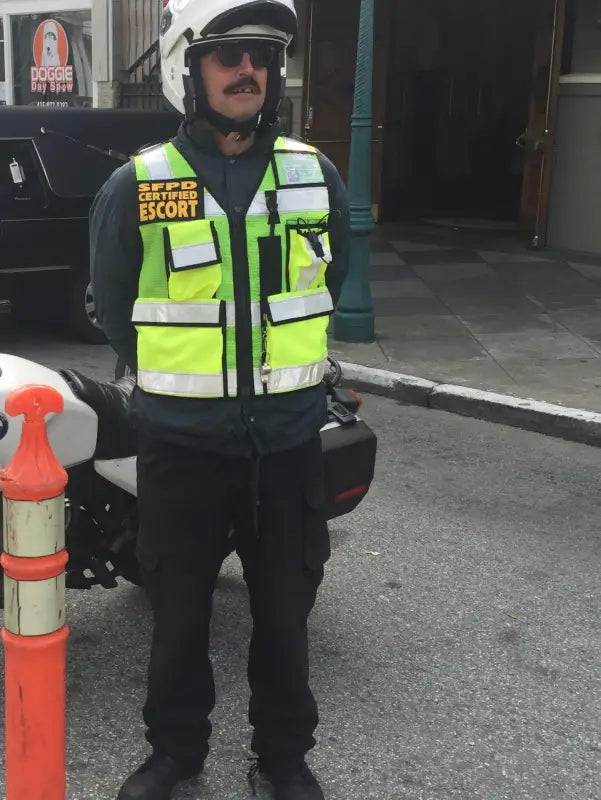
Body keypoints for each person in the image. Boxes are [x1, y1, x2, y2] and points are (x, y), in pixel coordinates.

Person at [89, 1, 349, 799]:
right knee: (178, 620)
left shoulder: (314, 174)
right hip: (183, 450)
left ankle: (282, 757)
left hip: (285, 447)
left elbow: (325, 288)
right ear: (187, 68)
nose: (248, 71)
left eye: (261, 58)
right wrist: (187, 390)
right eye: (228, 55)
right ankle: (175, 754)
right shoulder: (138, 185)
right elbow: (116, 306)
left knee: (282, 619)